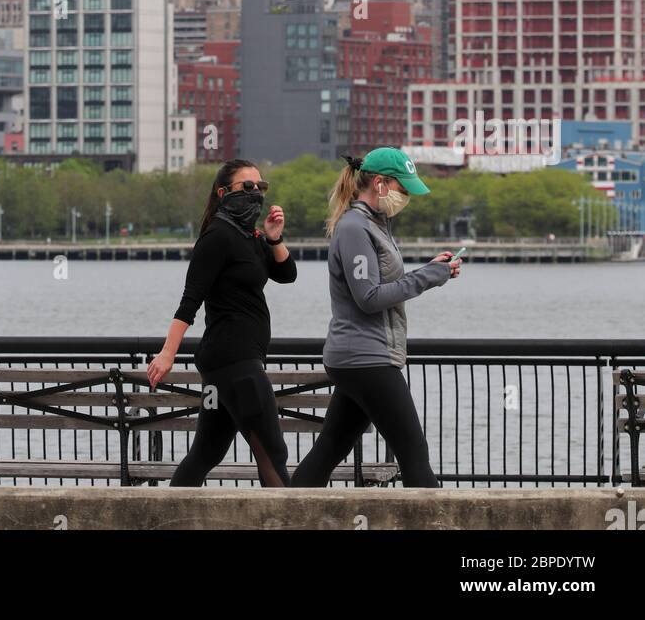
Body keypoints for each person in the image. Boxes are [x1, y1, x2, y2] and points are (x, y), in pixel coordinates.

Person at [291, 147, 460, 488]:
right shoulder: (355, 228)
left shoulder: (374, 225)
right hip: (366, 358)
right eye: (403, 189)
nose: (406, 196)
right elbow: (368, 298)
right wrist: (429, 277)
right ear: (380, 183)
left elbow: (383, 283)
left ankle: (282, 520)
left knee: (329, 450)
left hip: (359, 357)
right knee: (414, 453)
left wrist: (430, 270)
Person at [147, 159, 297, 486]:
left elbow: (287, 275)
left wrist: (274, 238)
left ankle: (165, 518)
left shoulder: (250, 237)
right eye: (247, 186)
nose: (256, 192)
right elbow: (190, 301)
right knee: (273, 452)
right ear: (223, 192)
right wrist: (167, 354)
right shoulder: (217, 236)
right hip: (235, 362)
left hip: (226, 363)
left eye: (261, 186)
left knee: (207, 452)